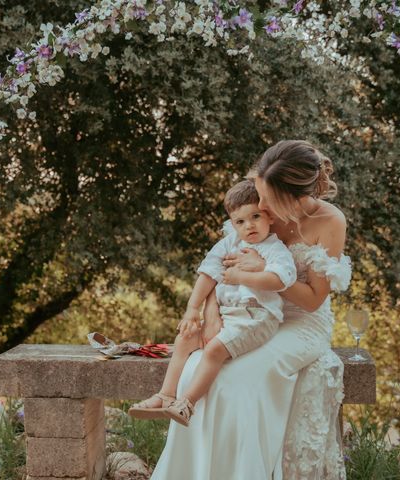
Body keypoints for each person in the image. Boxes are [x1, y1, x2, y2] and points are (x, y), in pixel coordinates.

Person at [150, 140, 352, 479]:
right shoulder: (253, 207)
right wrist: (211, 312)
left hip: (300, 324)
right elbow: (220, 266)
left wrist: (266, 272)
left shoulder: (330, 221)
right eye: (258, 192)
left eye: (267, 199)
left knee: (234, 381)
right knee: (198, 366)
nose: (259, 205)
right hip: (246, 313)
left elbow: (315, 298)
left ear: (291, 196)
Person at [128, 180, 296, 426]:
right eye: (240, 221)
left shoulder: (275, 249)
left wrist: (242, 276)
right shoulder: (230, 243)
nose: (249, 225)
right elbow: (208, 273)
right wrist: (192, 310)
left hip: (257, 316)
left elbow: (280, 279)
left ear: (269, 216)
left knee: (214, 349)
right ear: (232, 223)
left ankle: (186, 403)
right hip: (228, 313)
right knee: (185, 338)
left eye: (255, 217)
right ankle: (164, 396)